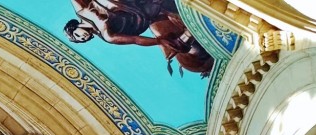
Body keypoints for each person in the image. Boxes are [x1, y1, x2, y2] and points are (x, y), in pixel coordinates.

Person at [63, 0, 214, 76]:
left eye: (78, 36)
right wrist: (159, 41)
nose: (83, 37)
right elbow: (136, 39)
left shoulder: (81, 9)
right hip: (142, 12)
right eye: (81, 40)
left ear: (73, 27)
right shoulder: (107, 35)